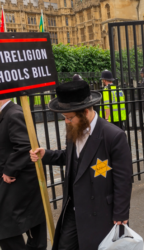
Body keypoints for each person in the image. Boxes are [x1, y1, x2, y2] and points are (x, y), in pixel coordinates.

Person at [30, 80, 133, 250]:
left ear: (85, 112)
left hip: (100, 211)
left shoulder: (113, 136)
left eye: (69, 118)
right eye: (65, 118)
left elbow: (124, 179)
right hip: (74, 208)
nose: (66, 122)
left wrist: (121, 213)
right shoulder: (74, 129)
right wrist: (46, 154)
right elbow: (71, 158)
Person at [0, 99, 47, 250]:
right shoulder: (7, 113)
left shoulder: (13, 114)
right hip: (14, 181)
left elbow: (25, 145)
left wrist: (9, 170)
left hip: (18, 180)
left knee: (6, 228)